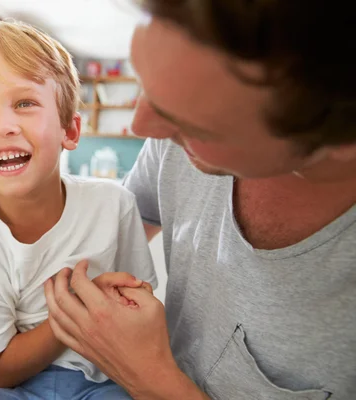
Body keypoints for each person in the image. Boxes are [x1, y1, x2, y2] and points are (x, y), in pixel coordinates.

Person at [45, 1, 356, 399]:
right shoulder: (174, 144)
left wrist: (147, 374)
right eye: (147, 87)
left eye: (192, 126)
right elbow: (107, 234)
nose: (142, 126)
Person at [0, 20, 157, 400]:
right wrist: (76, 312)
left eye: (25, 103)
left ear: (70, 130)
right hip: (20, 392)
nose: (4, 126)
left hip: (108, 385)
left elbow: (137, 303)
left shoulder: (114, 205)